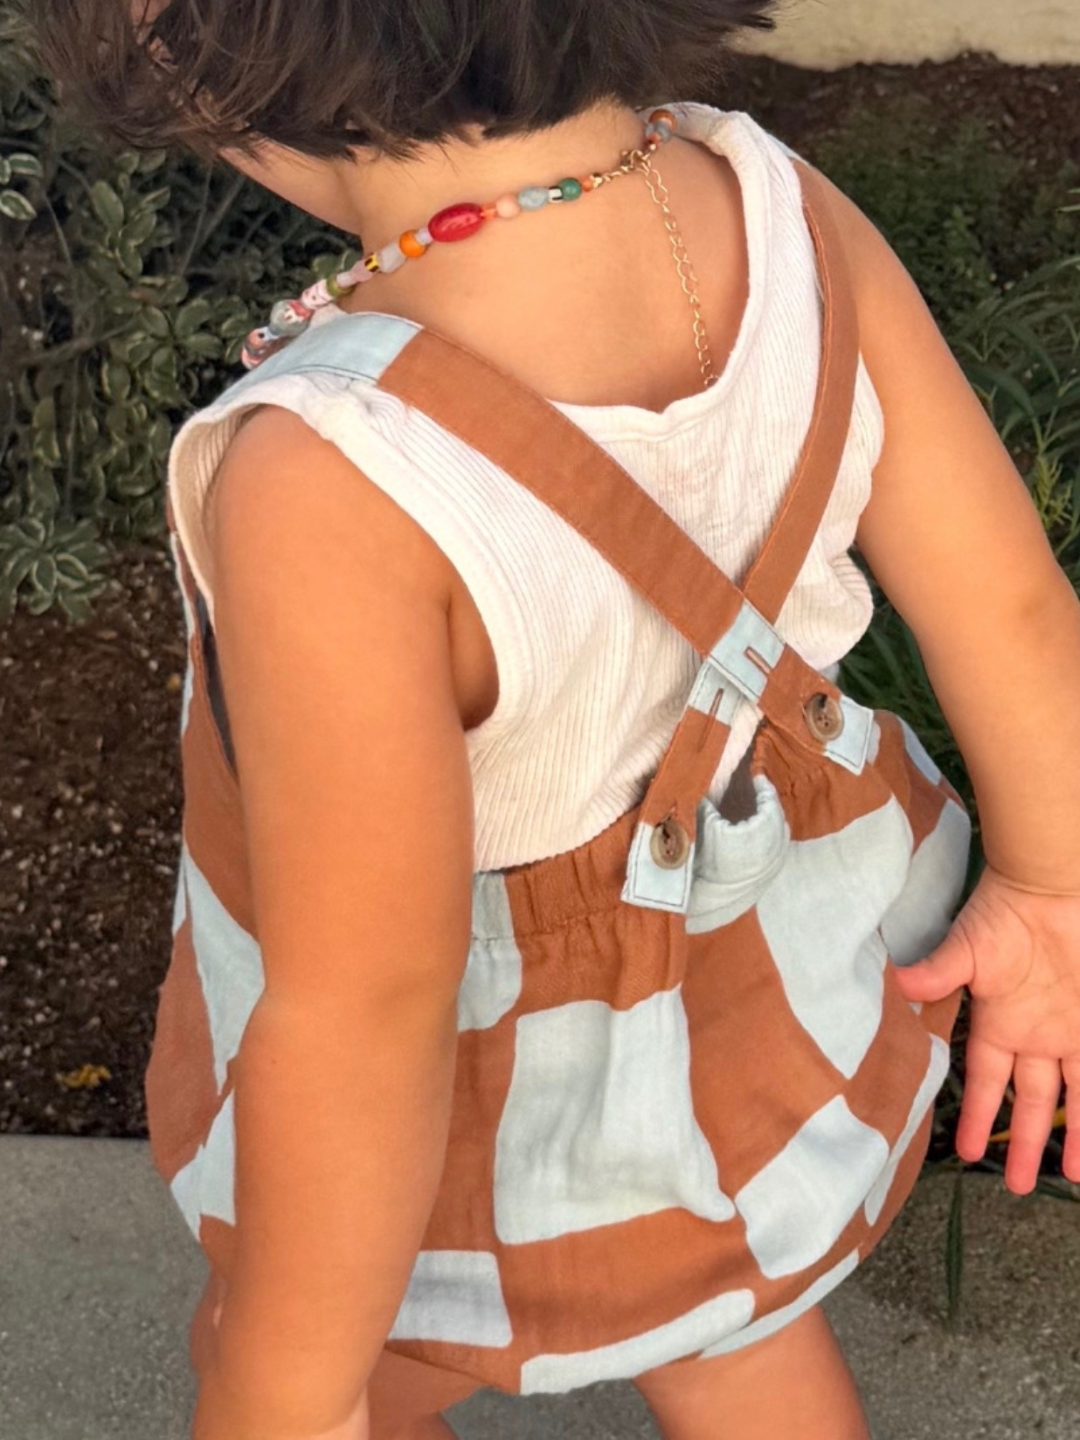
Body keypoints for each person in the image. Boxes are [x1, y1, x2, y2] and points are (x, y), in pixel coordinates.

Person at [38, 3, 1080, 1439]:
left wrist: (283, 1388)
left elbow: (367, 1015)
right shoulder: (777, 208)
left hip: (486, 1071)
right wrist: (1051, 894)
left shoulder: (330, 482)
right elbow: (1017, 613)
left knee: (328, 1354)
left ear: (180, 47)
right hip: (750, 986)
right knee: (727, 1317)